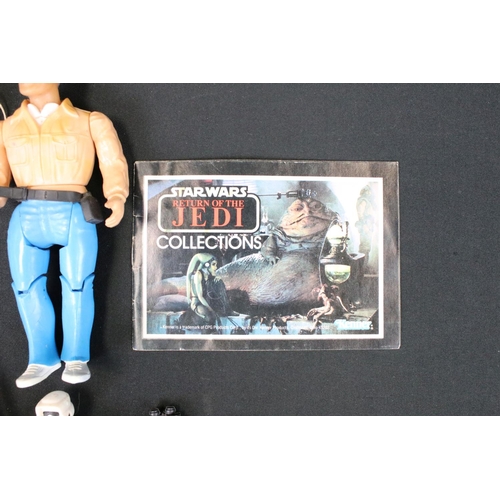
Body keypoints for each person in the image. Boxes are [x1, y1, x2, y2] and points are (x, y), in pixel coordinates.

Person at [0, 83, 129, 388]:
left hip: (73, 212)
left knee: (78, 285)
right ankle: (41, 357)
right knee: (25, 288)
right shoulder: (7, 127)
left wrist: (117, 194)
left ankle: (76, 356)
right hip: (26, 214)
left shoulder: (89, 121)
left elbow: (112, 162)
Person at [183, 253, 234, 330]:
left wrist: (218, 279)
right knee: (209, 316)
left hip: (206, 301)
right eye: (213, 264)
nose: (216, 267)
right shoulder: (198, 275)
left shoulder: (209, 275)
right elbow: (200, 297)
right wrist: (210, 309)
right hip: (198, 303)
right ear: (207, 265)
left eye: (216, 264)